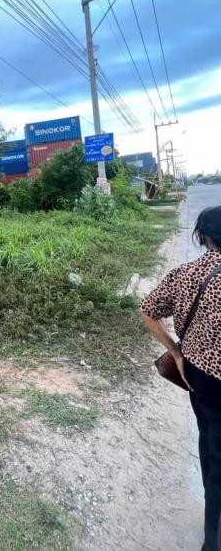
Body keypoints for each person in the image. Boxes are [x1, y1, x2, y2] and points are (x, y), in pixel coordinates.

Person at [140, 206, 221, 551]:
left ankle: (212, 539)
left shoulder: (186, 274)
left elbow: (147, 309)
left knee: (214, 453)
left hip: (204, 380)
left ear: (201, 236)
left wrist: (175, 352)